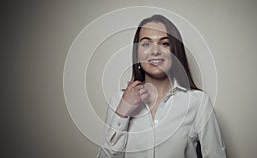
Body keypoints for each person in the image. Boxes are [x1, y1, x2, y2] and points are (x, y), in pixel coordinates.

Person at [97, 14, 226, 158]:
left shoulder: (199, 102)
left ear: (175, 52)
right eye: (146, 44)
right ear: (137, 54)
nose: (155, 51)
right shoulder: (118, 100)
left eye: (164, 43)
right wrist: (122, 112)